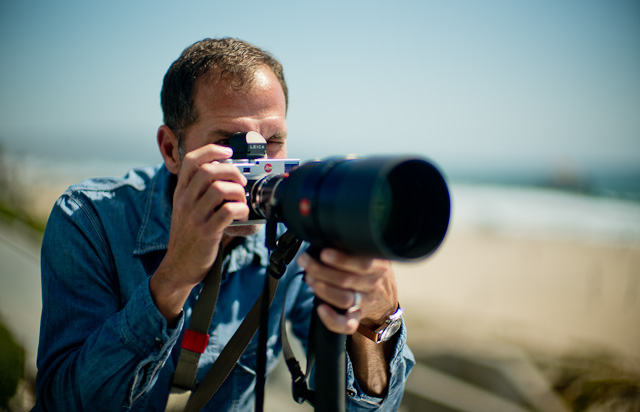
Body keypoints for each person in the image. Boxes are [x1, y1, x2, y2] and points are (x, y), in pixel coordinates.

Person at [33, 38, 414, 411]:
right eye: (232, 142)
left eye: (274, 140)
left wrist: (377, 321)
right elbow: (63, 400)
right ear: (171, 150)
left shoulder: (293, 232)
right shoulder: (89, 218)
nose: (258, 163)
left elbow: (365, 408)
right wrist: (173, 279)